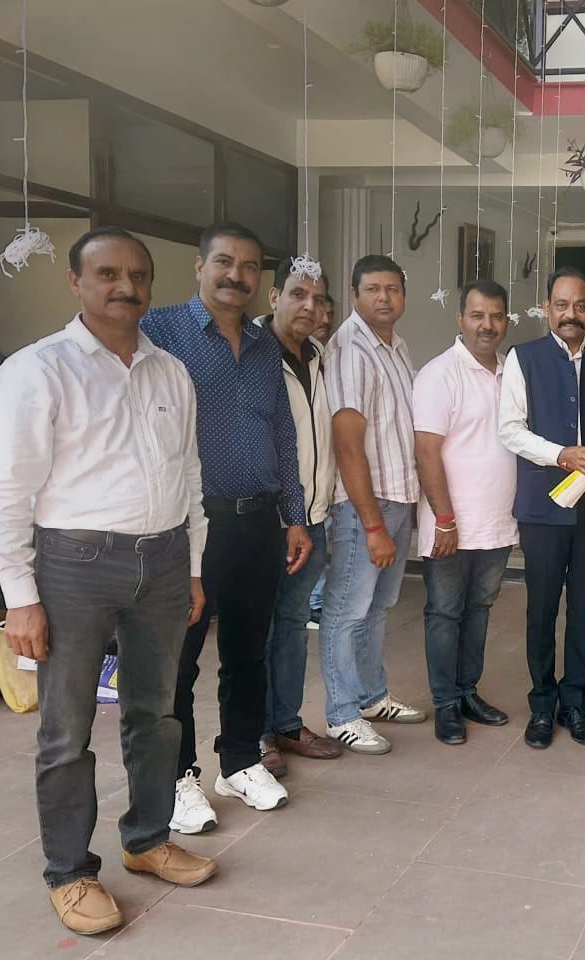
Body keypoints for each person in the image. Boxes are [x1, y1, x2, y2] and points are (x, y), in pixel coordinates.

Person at [0, 227, 216, 935]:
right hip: (73, 566)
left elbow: (189, 476)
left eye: (137, 275)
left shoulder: (170, 372)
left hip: (164, 561)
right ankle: (70, 872)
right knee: (66, 728)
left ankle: (147, 839)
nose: (125, 287)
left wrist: (193, 567)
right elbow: (4, 490)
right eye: (107, 273)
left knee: (157, 714)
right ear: (76, 283)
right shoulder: (38, 369)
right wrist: (21, 596)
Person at [142, 222, 310, 831]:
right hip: (190, 525)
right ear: (199, 266)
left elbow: (283, 434)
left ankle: (238, 760)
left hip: (258, 522)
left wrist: (294, 515)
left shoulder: (266, 346)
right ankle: (178, 776)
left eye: (248, 266)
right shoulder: (158, 331)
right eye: (223, 262)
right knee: (180, 659)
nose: (236, 275)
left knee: (246, 653)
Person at [498, 267, 585, 749]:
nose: (572, 314)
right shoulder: (522, 358)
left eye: (581, 306)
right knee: (542, 609)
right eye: (562, 305)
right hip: (543, 509)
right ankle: (542, 704)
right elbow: (510, 429)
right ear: (547, 308)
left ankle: (574, 702)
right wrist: (562, 455)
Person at [319, 254, 428, 755]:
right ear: (355, 294)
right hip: (367, 505)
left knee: (378, 607)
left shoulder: (395, 346)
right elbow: (347, 444)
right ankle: (342, 713)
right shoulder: (351, 350)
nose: (384, 298)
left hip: (399, 496)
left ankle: (371, 696)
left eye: (392, 289)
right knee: (346, 610)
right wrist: (372, 525)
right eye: (372, 289)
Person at [414, 280, 517, 745]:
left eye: (495, 316)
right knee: (444, 612)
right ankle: (445, 704)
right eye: (477, 315)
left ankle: (467, 692)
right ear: (460, 320)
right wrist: (444, 519)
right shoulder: (440, 374)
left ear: (506, 321)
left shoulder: (511, 373)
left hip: (497, 522)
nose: (487, 325)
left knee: (478, 610)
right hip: (450, 524)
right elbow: (426, 451)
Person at [253, 259, 343, 778]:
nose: (309, 306)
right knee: (258, 631)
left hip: (312, 518)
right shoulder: (251, 353)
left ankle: (286, 723)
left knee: (291, 625)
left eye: (318, 297)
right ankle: (256, 734)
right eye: (297, 294)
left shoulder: (320, 356)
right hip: (265, 521)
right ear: (274, 297)